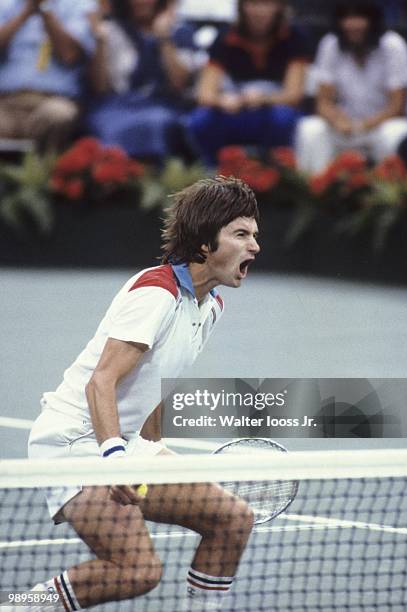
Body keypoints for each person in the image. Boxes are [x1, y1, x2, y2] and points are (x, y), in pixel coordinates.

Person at [20, 177, 260, 612]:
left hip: (124, 445)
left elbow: (156, 377)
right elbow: (102, 381)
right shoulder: (157, 292)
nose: (254, 247)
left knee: (233, 520)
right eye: (241, 235)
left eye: (254, 235)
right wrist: (115, 459)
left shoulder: (210, 306)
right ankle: (17, 603)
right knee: (136, 571)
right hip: (76, 443)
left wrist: (154, 447)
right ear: (206, 243)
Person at [186, 0, 311, 167]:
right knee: (200, 120)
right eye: (252, 4)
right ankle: (214, 175)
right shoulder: (226, 36)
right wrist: (223, 100)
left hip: (274, 108)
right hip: (236, 107)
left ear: (279, 6)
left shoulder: (294, 37)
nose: (259, 11)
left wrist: (264, 99)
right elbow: (205, 94)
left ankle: (279, 177)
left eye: (266, 4)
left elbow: (294, 95)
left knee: (282, 119)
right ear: (241, 7)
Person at [295, 0, 407, 175]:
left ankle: (390, 197)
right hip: (344, 127)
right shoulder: (330, 44)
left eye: (359, 17)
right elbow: (323, 102)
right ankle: (314, 193)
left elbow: (398, 106)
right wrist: (337, 119)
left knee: (396, 133)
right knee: (310, 129)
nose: (352, 24)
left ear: (372, 20)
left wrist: (365, 124)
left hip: (381, 124)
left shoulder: (393, 45)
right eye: (347, 17)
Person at [85, 0, 204, 162]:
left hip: (164, 105)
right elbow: (100, 88)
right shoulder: (111, 30)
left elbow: (180, 84)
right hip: (116, 107)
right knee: (105, 128)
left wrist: (164, 38)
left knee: (156, 125)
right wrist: (100, 41)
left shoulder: (180, 31)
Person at [0, 0, 97, 152]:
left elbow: (69, 55)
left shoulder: (80, 5)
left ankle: (44, 173)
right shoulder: (5, 5)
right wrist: (25, 13)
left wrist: (45, 10)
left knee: (60, 115)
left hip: (52, 102)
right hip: (6, 103)